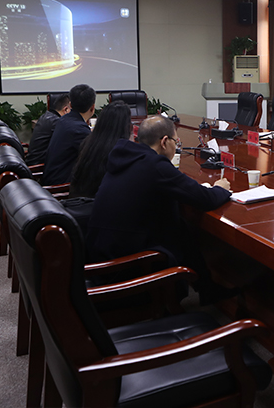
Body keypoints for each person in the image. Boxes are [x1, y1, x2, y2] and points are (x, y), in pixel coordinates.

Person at [85, 116, 232, 302]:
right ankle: (206, 288)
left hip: (102, 254)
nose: (176, 147)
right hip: (124, 266)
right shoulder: (155, 166)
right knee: (176, 225)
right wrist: (220, 188)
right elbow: (206, 199)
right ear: (164, 142)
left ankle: (206, 287)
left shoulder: (125, 157)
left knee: (177, 224)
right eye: (176, 142)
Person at [69, 100, 131, 198]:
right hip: (99, 203)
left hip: (81, 200)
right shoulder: (120, 151)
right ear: (126, 127)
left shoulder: (88, 142)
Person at [42, 84, 96, 186]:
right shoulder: (79, 130)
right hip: (62, 185)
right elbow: (96, 157)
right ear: (92, 107)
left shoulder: (63, 120)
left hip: (52, 177)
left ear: (70, 104)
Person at [25, 93, 71, 166]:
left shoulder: (47, 116)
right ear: (66, 109)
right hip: (40, 165)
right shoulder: (56, 122)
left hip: (34, 160)